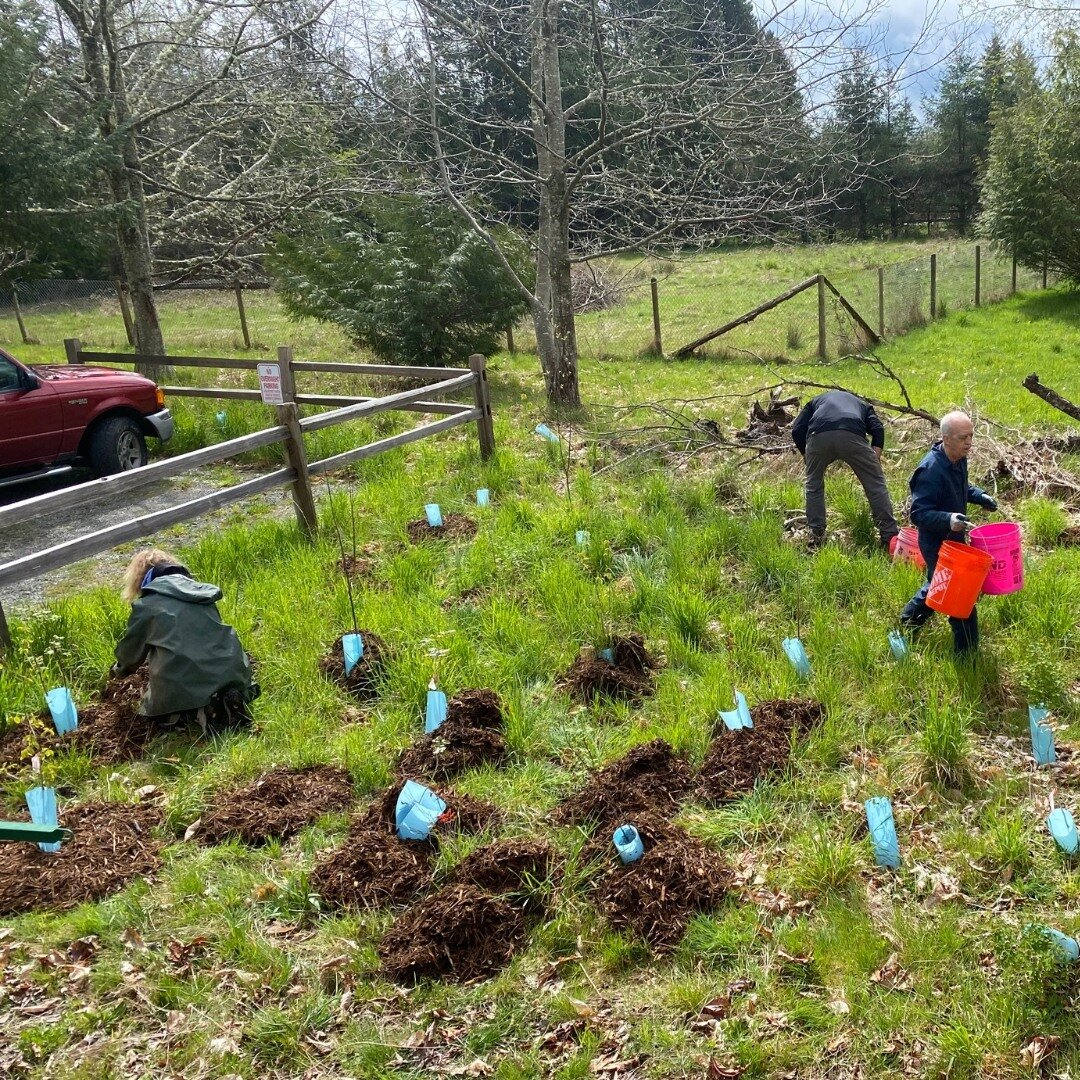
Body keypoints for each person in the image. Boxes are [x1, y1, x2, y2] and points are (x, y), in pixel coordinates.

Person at [112, 548, 258, 730]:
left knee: (154, 711)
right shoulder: (202, 595)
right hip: (233, 670)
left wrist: (117, 672)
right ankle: (226, 699)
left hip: (186, 684)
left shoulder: (147, 606)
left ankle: (198, 712)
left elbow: (130, 656)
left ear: (141, 580)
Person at [899, 411, 998, 655]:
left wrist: (980, 495)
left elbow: (962, 487)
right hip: (935, 542)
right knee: (960, 595)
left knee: (937, 584)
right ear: (946, 438)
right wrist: (948, 519)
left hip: (954, 539)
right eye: (964, 437)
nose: (969, 442)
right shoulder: (930, 470)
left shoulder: (957, 457)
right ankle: (967, 656)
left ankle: (907, 622)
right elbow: (918, 514)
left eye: (971, 436)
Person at [791, 390, 899, 550]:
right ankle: (889, 537)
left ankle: (817, 536)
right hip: (852, 434)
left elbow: (797, 429)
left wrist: (806, 455)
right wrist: (874, 459)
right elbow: (877, 428)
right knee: (875, 486)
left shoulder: (816, 401)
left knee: (813, 486)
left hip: (818, 436)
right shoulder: (862, 404)